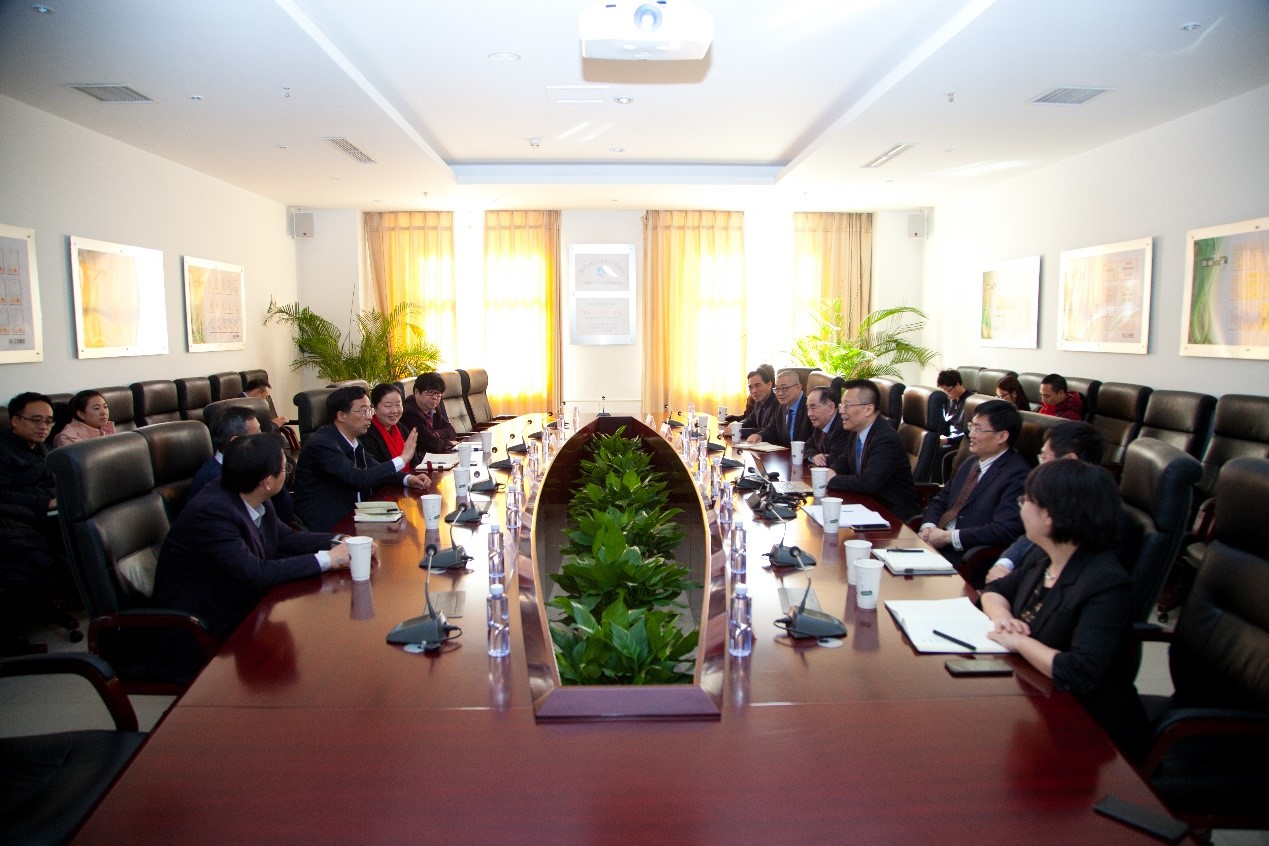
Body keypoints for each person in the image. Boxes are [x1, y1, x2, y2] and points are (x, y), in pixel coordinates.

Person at [982, 459, 1148, 759]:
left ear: (1049, 517)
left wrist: (1019, 641)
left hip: (1090, 731)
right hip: (1038, 695)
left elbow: (1077, 672)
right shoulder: (1043, 556)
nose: (1021, 506)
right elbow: (994, 591)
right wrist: (1004, 618)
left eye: (1025, 500)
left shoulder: (1106, 583)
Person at [151, 434, 353, 676]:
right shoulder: (213, 512)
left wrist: (340, 540)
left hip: (241, 605)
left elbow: (284, 537)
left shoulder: (251, 491)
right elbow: (255, 573)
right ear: (268, 481)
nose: (287, 472)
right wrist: (328, 559)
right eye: (285, 468)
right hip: (201, 628)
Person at [293, 385, 430, 532]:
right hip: (328, 527)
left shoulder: (353, 439)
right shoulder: (322, 444)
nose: (370, 416)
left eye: (370, 410)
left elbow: (374, 467)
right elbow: (358, 478)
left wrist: (408, 479)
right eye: (364, 411)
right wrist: (402, 459)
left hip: (356, 517)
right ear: (341, 416)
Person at [984, 422, 1104, 583]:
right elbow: (1028, 539)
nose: (1038, 467)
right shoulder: (1057, 497)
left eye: (1044, 457)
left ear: (1069, 460)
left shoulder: (1089, 515)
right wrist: (1004, 564)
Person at [919, 399, 1030, 566]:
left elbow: (1004, 529)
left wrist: (949, 537)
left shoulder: (1017, 474)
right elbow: (941, 499)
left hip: (967, 557)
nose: (971, 435)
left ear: (1002, 436)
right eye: (971, 427)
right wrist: (928, 526)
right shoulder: (972, 462)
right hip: (935, 543)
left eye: (978, 429)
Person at [825, 379, 921, 521]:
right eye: (841, 405)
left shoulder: (885, 438)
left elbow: (869, 482)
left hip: (893, 516)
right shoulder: (857, 430)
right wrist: (832, 470)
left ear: (868, 409)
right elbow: (844, 460)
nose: (841, 411)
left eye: (847, 405)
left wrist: (832, 480)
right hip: (867, 506)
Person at [399, 371, 458, 458]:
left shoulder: (434, 409)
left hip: (435, 457)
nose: (435, 397)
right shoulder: (409, 412)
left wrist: (434, 434)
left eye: (438, 394)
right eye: (430, 392)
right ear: (417, 392)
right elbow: (430, 444)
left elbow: (451, 432)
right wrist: (447, 443)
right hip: (418, 461)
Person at [747, 369, 812, 447]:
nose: (780, 393)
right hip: (786, 453)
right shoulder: (781, 407)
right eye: (777, 389)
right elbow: (772, 429)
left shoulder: (811, 407)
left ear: (798, 388)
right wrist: (759, 436)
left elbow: (816, 441)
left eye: (784, 388)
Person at [362, 383, 407, 466]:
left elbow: (414, 460)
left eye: (398, 405)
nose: (395, 410)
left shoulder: (401, 427)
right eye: (388, 406)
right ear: (374, 408)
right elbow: (377, 468)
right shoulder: (367, 434)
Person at [803, 385, 846, 468]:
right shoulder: (820, 425)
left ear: (831, 407)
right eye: (808, 408)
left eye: (813, 408)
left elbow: (836, 462)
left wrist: (823, 459)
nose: (809, 414)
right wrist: (814, 457)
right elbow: (805, 447)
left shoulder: (842, 427)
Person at [733, 365, 779, 437]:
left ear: (769, 384)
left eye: (758, 385)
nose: (754, 391)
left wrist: (738, 431)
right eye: (750, 387)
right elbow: (750, 421)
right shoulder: (758, 402)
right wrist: (735, 426)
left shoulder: (778, 403)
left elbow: (769, 431)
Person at [935, 369, 974, 449]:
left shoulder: (971, 402)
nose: (947, 394)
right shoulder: (948, 401)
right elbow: (944, 424)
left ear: (957, 384)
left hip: (961, 442)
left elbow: (970, 431)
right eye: (944, 391)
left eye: (948, 391)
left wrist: (948, 440)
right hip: (948, 438)